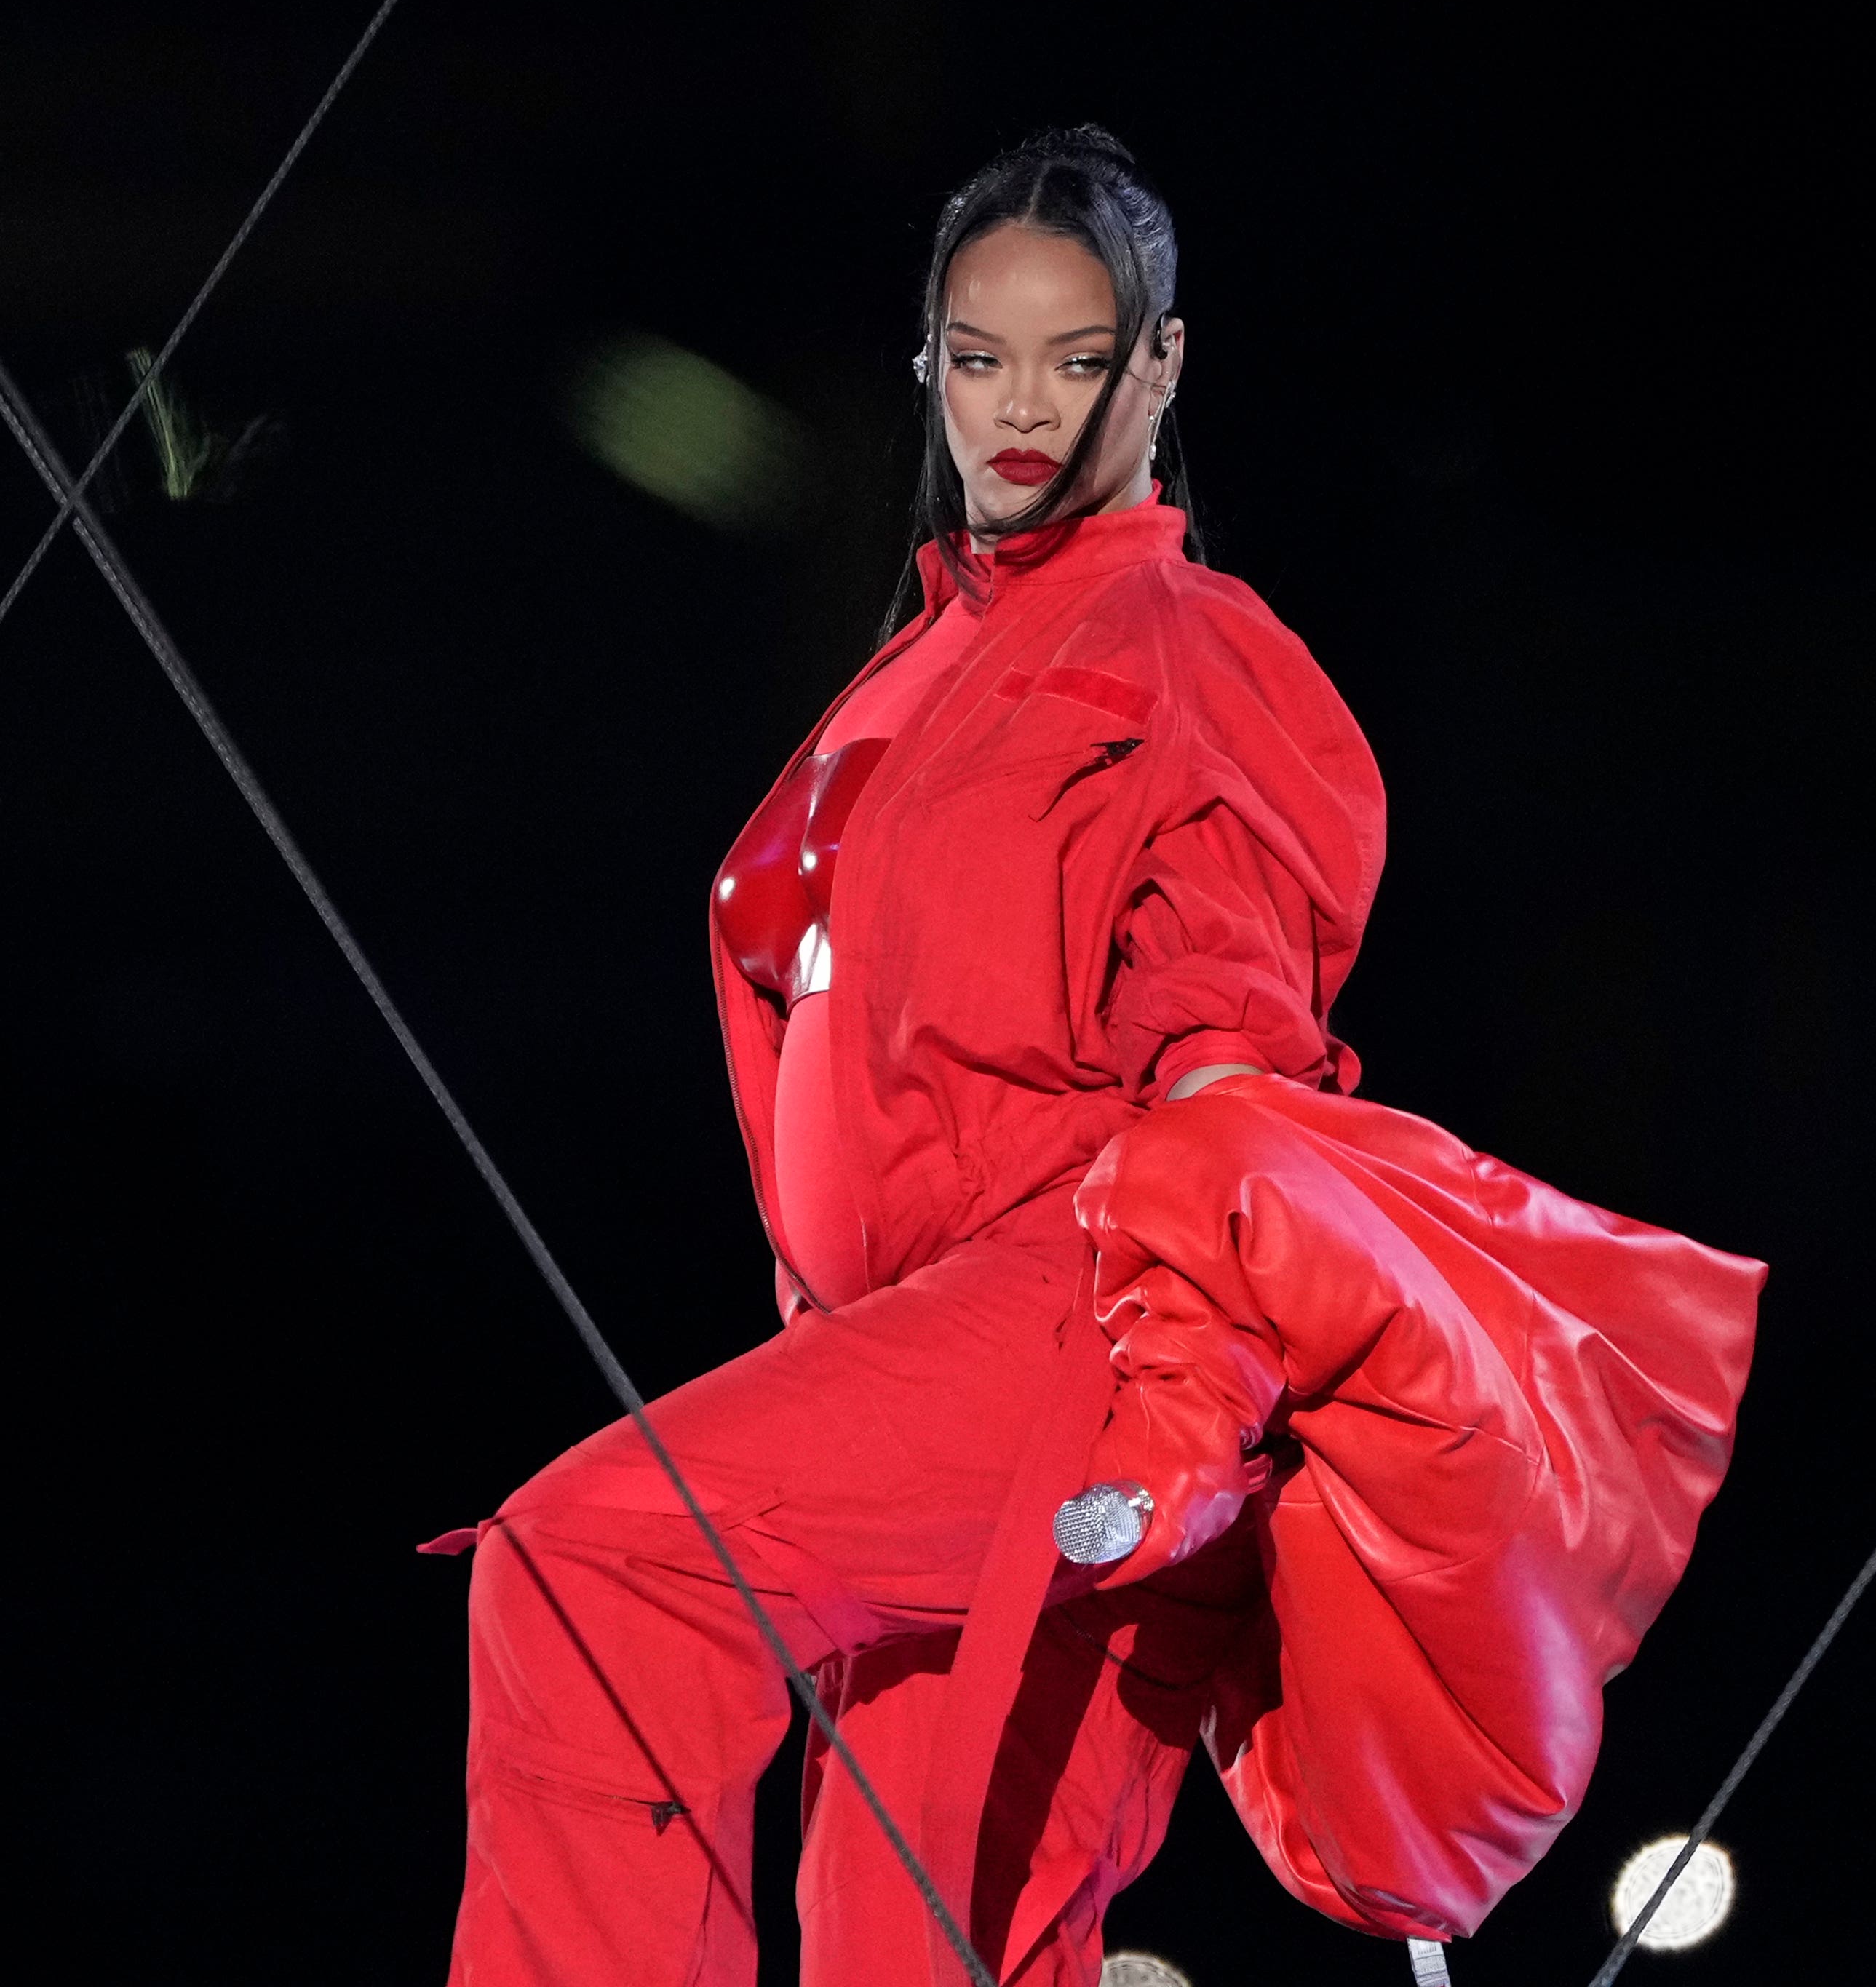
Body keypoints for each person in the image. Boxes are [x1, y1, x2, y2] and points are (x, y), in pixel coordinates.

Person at [440, 128, 1760, 1987]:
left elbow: (1237, 1088)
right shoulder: (901, 679)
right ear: (929, 365)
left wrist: (1175, 1428)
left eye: (1079, 359)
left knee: (598, 1571)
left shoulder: (1189, 647)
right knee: (910, 1953)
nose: (1024, 407)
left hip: (1077, 1323)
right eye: (981, 359)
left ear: (1159, 368)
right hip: (904, 1352)